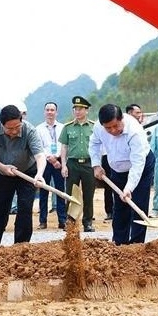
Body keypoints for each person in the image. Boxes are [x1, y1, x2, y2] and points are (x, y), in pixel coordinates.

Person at [0, 104, 46, 249]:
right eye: (10, 129)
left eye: (17, 126)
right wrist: (2, 166)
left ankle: (21, 248)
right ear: (2, 125)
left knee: (25, 209)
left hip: (27, 172)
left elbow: (40, 155)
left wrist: (39, 175)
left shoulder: (29, 130)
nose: (14, 131)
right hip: (2, 173)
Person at [90, 104, 156, 245]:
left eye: (116, 126)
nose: (113, 131)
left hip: (141, 167)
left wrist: (129, 187)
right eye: (108, 128)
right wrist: (96, 165)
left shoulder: (135, 131)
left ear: (122, 119)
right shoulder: (98, 127)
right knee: (120, 206)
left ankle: (136, 245)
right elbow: (94, 144)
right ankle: (119, 243)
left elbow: (138, 163)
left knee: (138, 204)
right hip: (118, 168)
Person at [59, 96, 96, 232]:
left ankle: (88, 223)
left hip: (89, 164)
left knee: (88, 194)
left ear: (87, 110)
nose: (77, 111)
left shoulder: (94, 127)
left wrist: (98, 165)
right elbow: (64, 147)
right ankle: (70, 222)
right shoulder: (67, 127)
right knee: (70, 194)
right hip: (72, 164)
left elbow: (99, 147)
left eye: (80, 109)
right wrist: (63, 165)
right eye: (75, 109)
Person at [35, 101, 66, 230]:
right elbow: (38, 147)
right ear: (44, 112)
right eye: (47, 110)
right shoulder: (38, 129)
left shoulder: (63, 127)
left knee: (60, 191)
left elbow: (64, 145)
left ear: (56, 112)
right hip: (45, 163)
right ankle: (43, 221)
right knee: (43, 191)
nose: (50, 112)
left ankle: (62, 220)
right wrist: (51, 159)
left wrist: (57, 158)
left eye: (52, 110)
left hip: (59, 162)